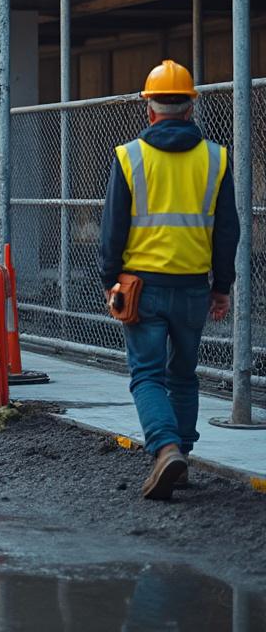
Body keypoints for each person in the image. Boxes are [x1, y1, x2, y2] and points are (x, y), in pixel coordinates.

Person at [99, 59, 237, 500]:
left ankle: (166, 449)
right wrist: (223, 286)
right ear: (190, 108)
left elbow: (112, 228)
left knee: (146, 376)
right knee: (183, 375)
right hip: (194, 286)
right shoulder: (215, 158)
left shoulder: (129, 156)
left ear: (149, 109)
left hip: (142, 288)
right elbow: (227, 229)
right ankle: (183, 459)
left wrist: (109, 279)